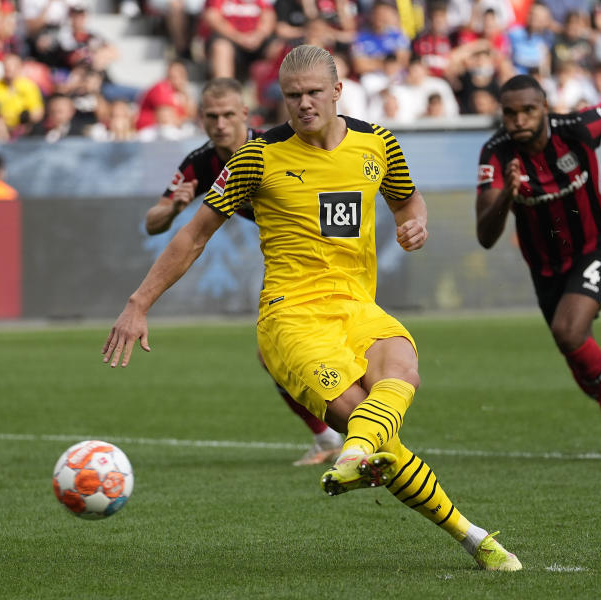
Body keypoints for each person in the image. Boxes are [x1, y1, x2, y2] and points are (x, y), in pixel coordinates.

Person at [104, 45, 521, 571]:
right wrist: (138, 302)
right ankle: (472, 536)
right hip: (292, 317)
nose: (303, 105)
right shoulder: (256, 157)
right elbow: (193, 236)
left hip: (358, 305)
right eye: (292, 96)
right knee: (373, 426)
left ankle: (351, 456)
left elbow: (407, 200)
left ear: (337, 91)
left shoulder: (378, 143)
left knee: (403, 371)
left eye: (313, 94)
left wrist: (414, 223)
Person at [143, 77, 344, 467]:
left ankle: (353, 436)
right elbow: (153, 222)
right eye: (212, 116)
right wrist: (172, 209)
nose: (220, 124)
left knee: (320, 348)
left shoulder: (276, 146)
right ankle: (332, 439)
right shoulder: (200, 163)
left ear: (244, 115)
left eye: (228, 115)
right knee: (272, 355)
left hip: (330, 253)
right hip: (289, 260)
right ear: (201, 118)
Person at [475, 74, 601, 457]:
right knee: (575, 354)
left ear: (545, 108)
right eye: (510, 113)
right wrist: (506, 198)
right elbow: (485, 235)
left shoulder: (578, 129)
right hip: (545, 263)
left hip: (598, 243)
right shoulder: (496, 154)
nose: (519, 120)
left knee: (569, 331)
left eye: (528, 110)